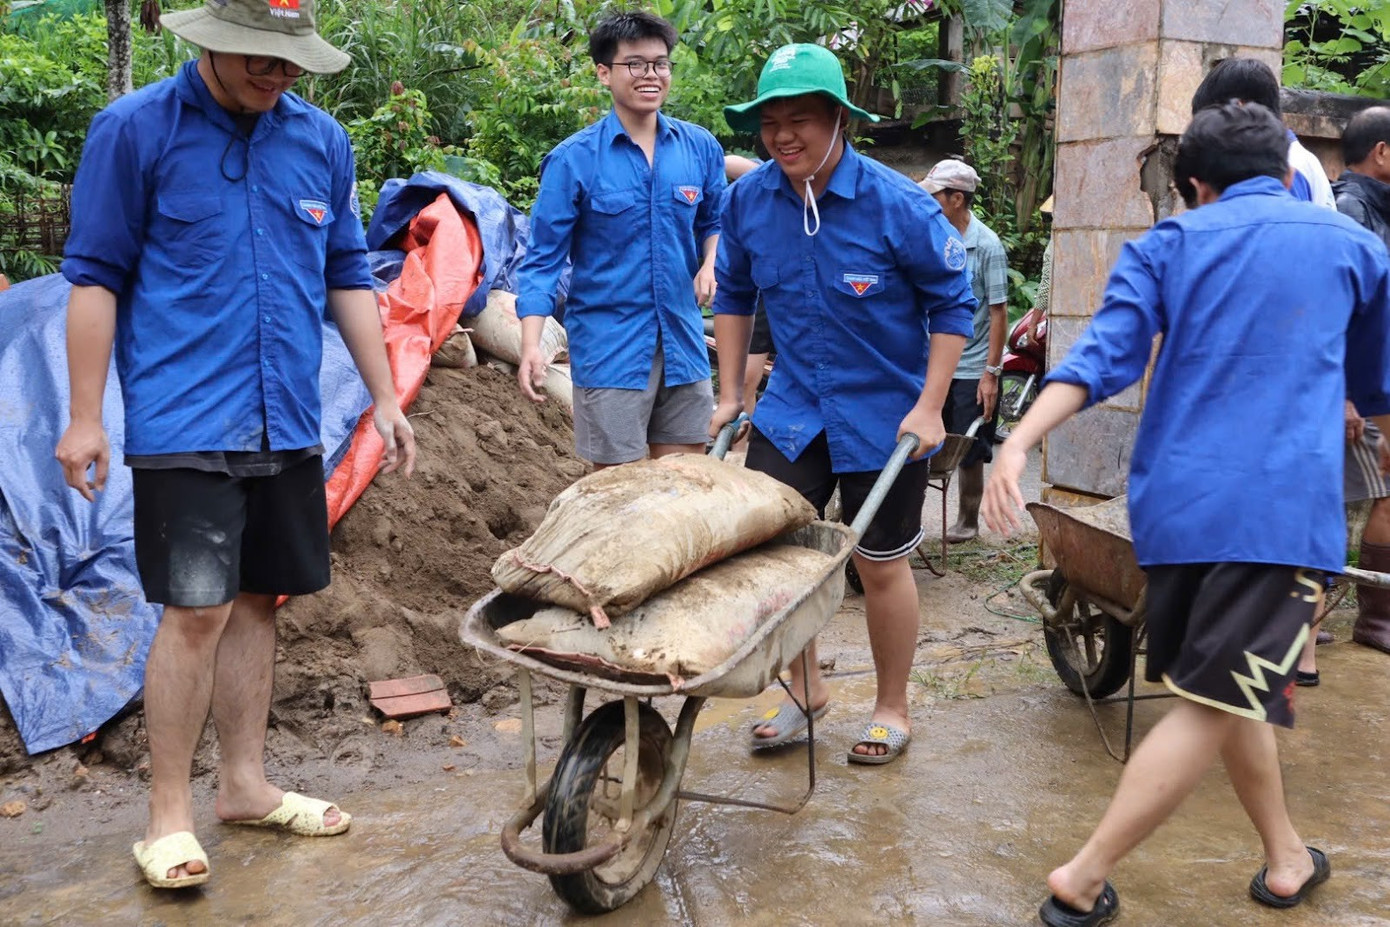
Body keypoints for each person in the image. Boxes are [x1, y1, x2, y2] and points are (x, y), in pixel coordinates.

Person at [982, 103, 1390, 925]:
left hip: (1172, 515)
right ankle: (1084, 874)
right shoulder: (1359, 248)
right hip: (1275, 519)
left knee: (1231, 690)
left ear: (1195, 187)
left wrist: (1017, 441)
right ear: (1286, 173)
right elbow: (1375, 383)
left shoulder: (1167, 245)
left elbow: (1099, 358)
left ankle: (1284, 857)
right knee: (1213, 700)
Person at [54, 0, 416, 890]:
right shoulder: (135, 131)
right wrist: (84, 413)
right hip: (185, 417)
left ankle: (246, 785)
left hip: (289, 411)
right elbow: (96, 276)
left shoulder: (322, 141)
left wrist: (381, 396)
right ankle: (167, 816)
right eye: (262, 56)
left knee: (260, 600)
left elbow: (345, 272)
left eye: (293, 61)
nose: (279, 73)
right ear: (212, 40)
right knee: (198, 610)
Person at [708, 43, 974, 764]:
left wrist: (930, 408)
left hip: (886, 412)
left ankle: (892, 707)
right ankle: (804, 691)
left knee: (879, 562)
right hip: (793, 407)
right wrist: (733, 392)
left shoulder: (899, 205)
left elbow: (954, 305)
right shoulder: (749, 201)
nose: (782, 136)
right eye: (770, 122)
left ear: (838, 122)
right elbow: (733, 294)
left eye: (799, 119)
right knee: (781, 556)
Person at [515, 11, 726, 468]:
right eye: (635, 64)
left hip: (684, 345)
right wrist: (531, 345)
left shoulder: (700, 148)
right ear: (604, 73)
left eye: (660, 63)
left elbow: (715, 221)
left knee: (684, 484)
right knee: (620, 496)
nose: (650, 75)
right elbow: (541, 262)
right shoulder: (573, 160)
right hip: (611, 351)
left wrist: (710, 261)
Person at [920, 158, 1009, 541]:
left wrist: (991, 374)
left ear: (956, 198)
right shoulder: (933, 236)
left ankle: (968, 520)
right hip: (934, 360)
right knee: (924, 438)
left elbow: (999, 313)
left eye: (936, 195)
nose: (930, 202)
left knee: (968, 445)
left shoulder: (987, 246)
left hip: (972, 366)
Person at [1330, 104, 1390, 656]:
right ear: (1381, 152)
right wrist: (1347, 393)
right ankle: (1374, 620)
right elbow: (1338, 310)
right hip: (1358, 390)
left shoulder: (1377, 207)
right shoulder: (1351, 210)